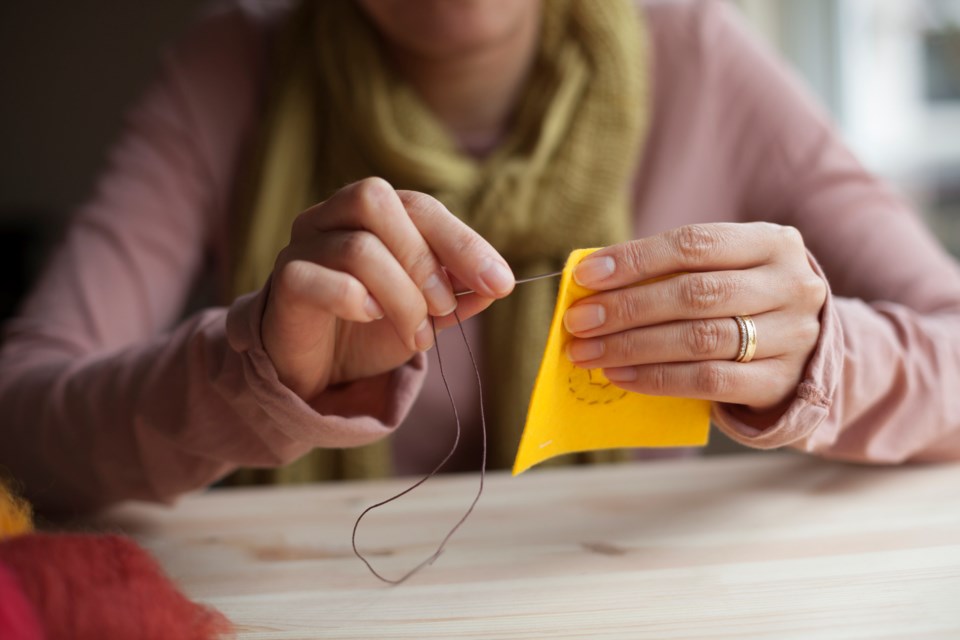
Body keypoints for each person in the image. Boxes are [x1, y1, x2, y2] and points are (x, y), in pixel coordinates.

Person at [2, 0, 960, 514]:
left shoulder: (704, 57)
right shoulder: (230, 69)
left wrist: (819, 359)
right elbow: (19, 424)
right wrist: (250, 370)